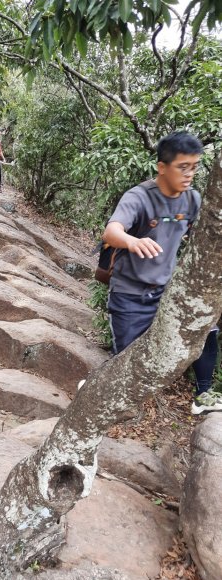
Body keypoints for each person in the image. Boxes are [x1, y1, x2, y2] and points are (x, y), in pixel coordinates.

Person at [102, 131, 221, 415]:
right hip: (130, 294)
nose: (190, 173)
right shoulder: (140, 197)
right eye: (183, 167)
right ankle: (105, 396)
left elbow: (200, 234)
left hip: (166, 289)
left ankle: (203, 394)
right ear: (162, 167)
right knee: (126, 359)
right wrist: (132, 240)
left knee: (206, 329)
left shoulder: (191, 200)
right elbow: (112, 230)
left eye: (194, 166)